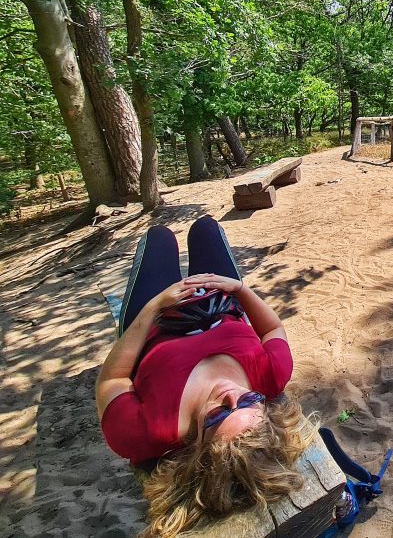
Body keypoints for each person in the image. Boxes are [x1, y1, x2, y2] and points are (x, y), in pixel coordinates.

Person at [95, 215, 313, 537]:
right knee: (206, 228)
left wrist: (154, 307)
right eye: (247, 401)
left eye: (219, 414)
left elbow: (110, 381)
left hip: (154, 320)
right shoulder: (270, 377)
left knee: (159, 237)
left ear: (196, 444)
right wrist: (239, 289)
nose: (230, 393)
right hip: (222, 299)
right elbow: (272, 329)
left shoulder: (146, 430)